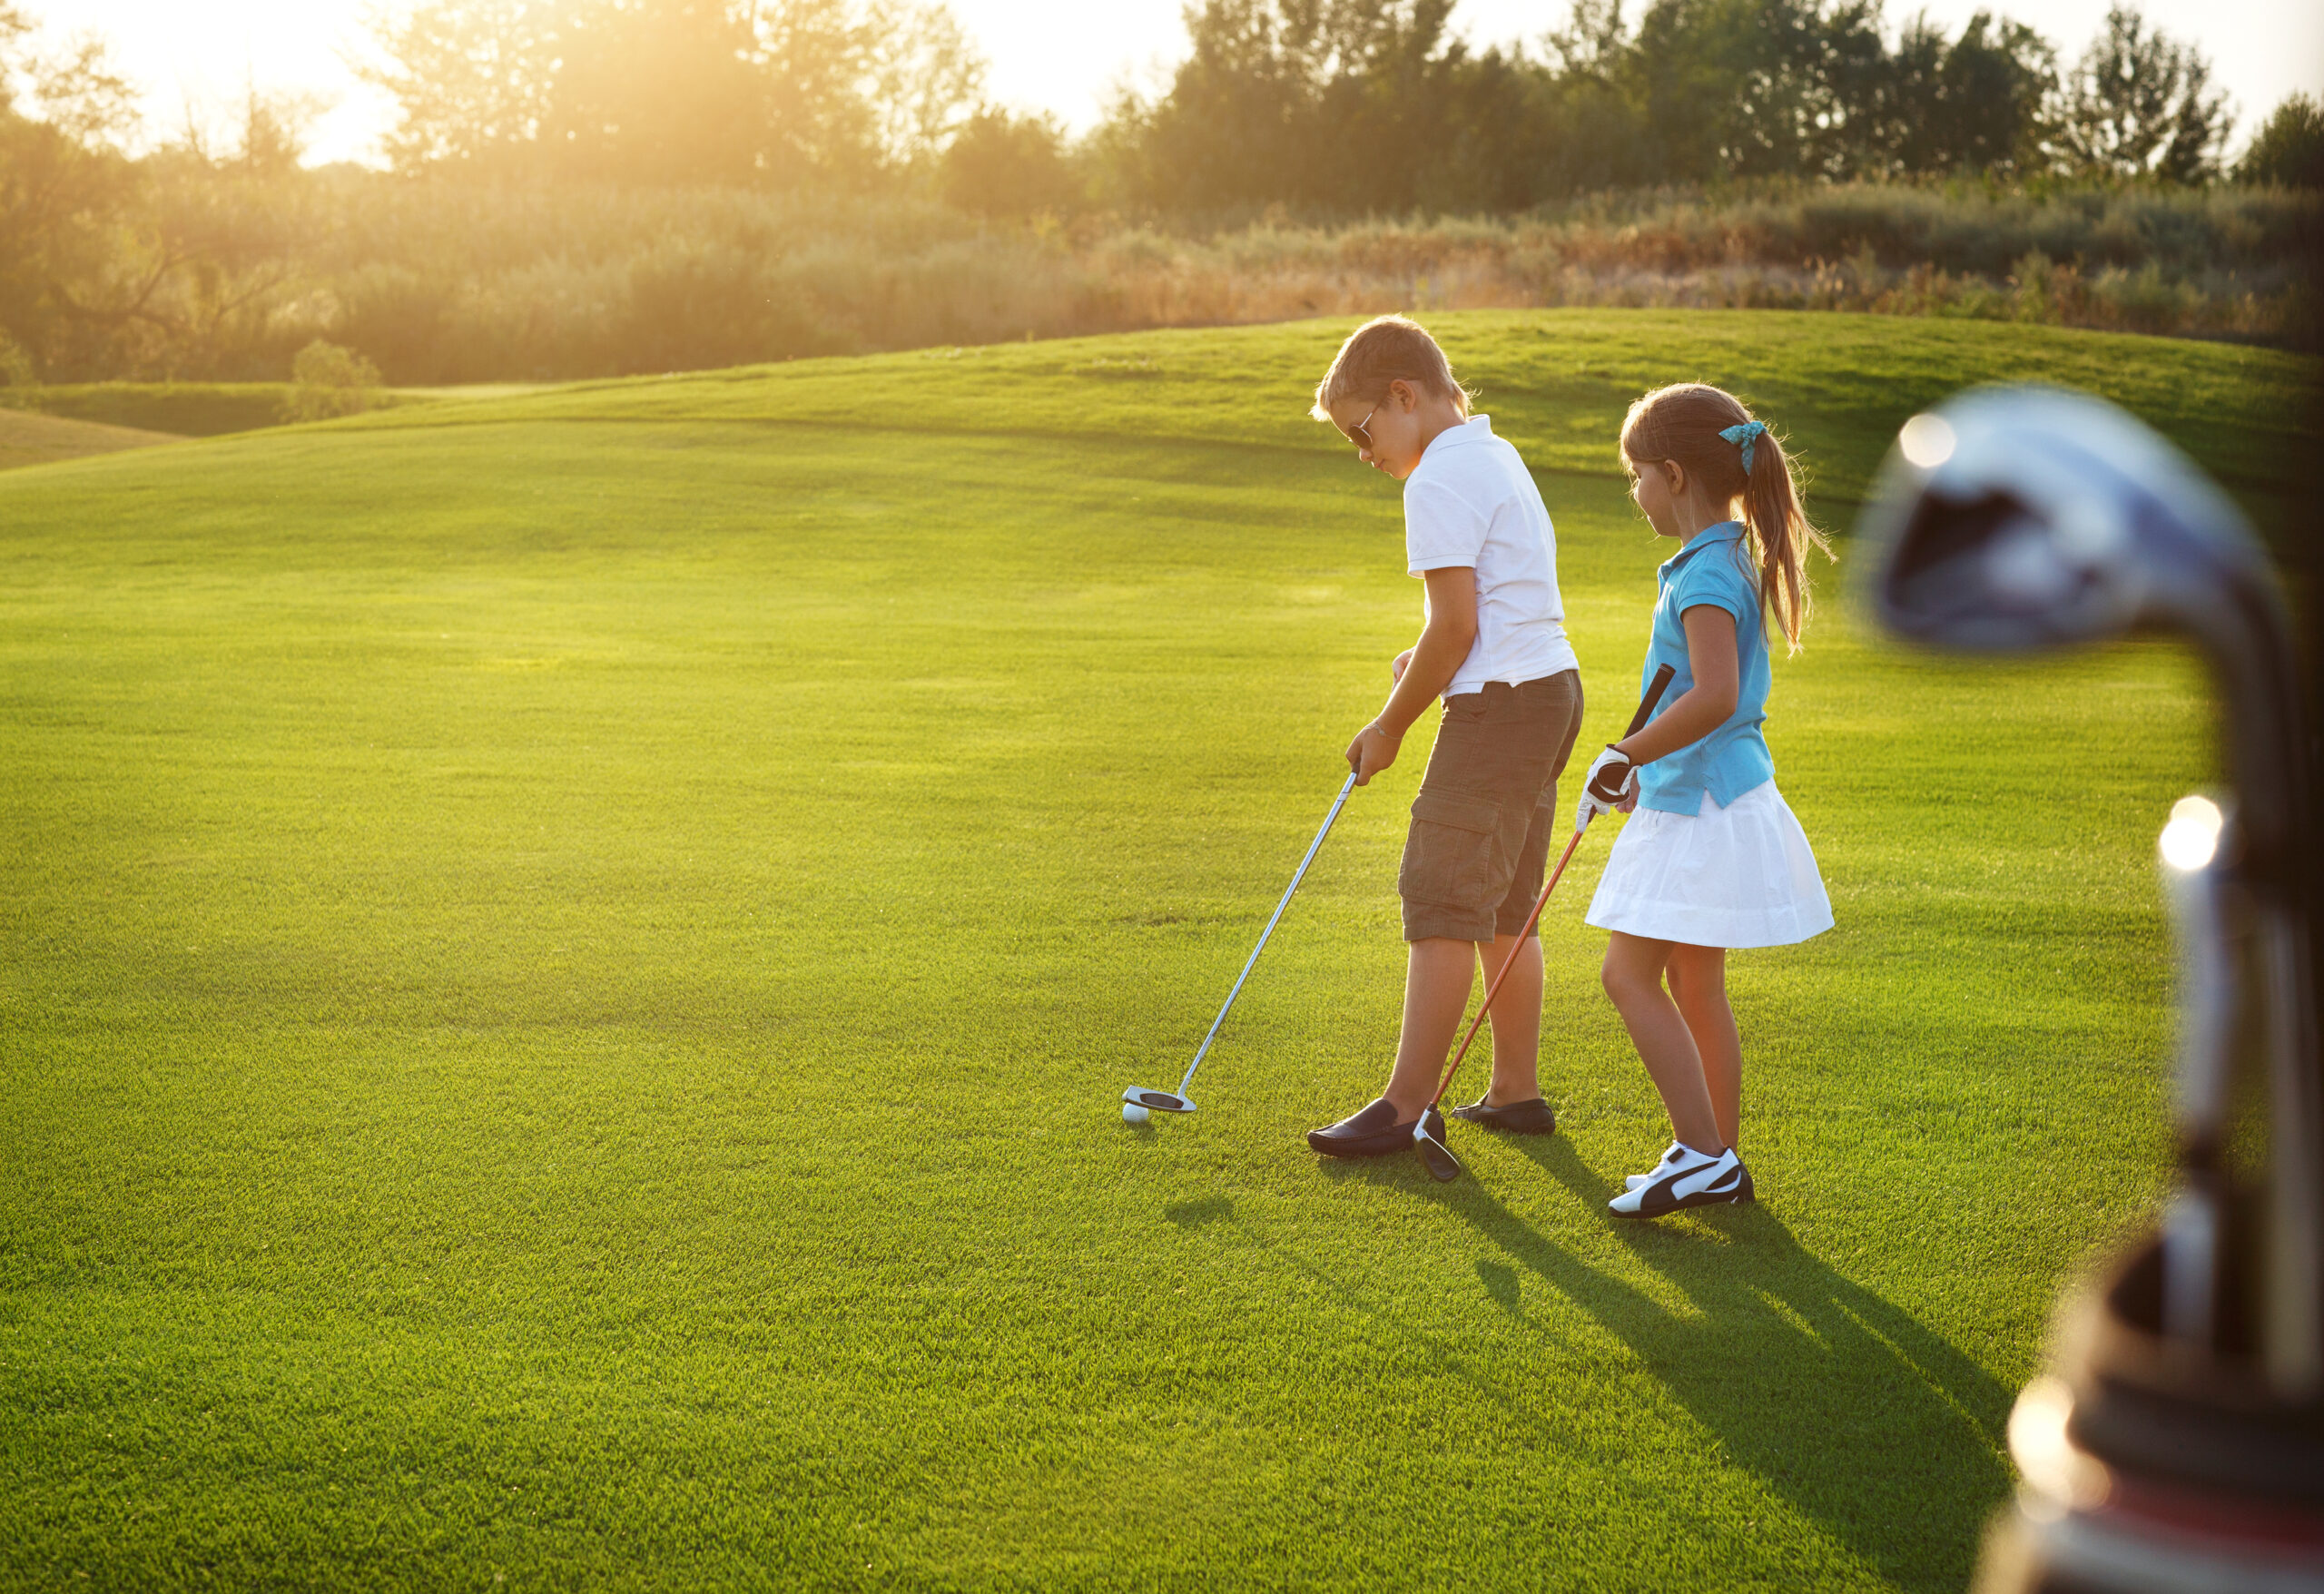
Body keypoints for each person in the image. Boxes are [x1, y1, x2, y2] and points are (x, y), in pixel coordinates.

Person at [1305, 315, 1585, 1158]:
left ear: (1404, 395)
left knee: (1439, 896)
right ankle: (1515, 1092)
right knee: (1506, 903)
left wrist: (1390, 726)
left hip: (1502, 707)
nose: (1364, 451)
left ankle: (1402, 1107)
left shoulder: (1430, 483)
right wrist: (1424, 657)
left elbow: (1458, 625)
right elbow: (1482, 610)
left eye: (1364, 429)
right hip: (1551, 691)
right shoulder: (1494, 454)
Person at [1577, 383, 1835, 1217]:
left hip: (1700, 808)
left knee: (1627, 976)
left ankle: (1702, 1154)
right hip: (1703, 794)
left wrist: (1624, 752)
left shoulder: (1706, 576)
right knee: (1694, 985)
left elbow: (1716, 694)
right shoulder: (1718, 560)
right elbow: (1701, 693)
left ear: (1675, 475)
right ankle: (1716, 1155)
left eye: (1638, 475)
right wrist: (1641, 766)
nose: (1635, 491)